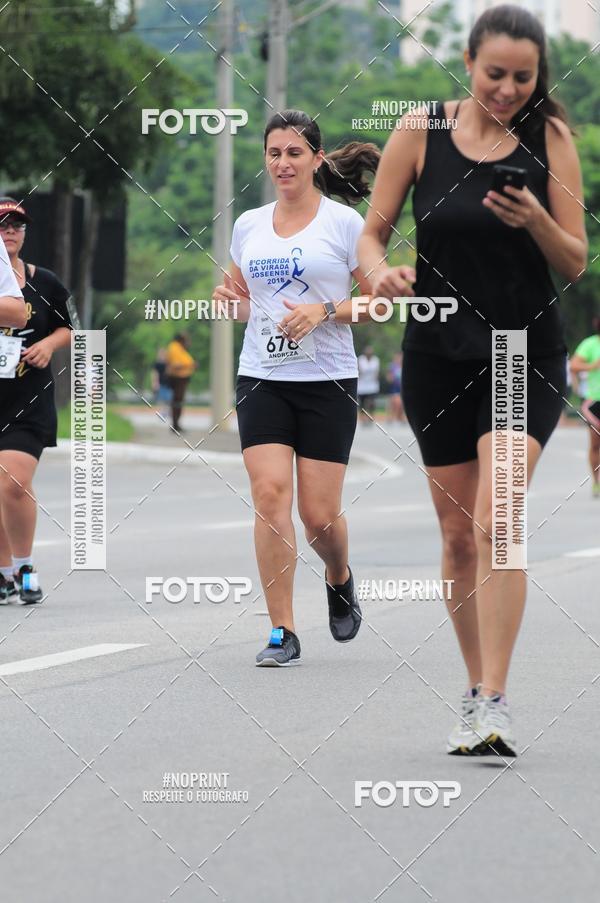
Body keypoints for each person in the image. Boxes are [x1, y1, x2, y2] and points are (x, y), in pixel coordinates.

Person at [359, 5, 587, 755]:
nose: (508, 89)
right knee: (458, 537)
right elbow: (373, 229)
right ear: (467, 60)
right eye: (496, 74)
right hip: (435, 356)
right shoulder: (419, 130)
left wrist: (535, 221)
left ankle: (495, 698)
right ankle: (472, 688)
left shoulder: (550, 136)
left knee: (500, 518)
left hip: (522, 352)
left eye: (523, 77)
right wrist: (378, 273)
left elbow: (575, 258)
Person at [213, 109, 414, 666]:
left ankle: (338, 573)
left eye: (294, 153)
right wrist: (231, 302)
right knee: (270, 495)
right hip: (263, 377)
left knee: (319, 517)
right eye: (274, 153)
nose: (283, 163)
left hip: (327, 381)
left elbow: (379, 301)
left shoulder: (344, 224)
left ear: (316, 159)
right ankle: (282, 631)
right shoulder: (248, 224)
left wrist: (324, 310)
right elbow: (237, 293)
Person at [0, 198, 73, 604]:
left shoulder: (44, 282)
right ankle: (4, 572)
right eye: (4, 224)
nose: (11, 231)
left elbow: (70, 329)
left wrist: (47, 344)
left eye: (18, 225)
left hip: (29, 399)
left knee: (12, 481)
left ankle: (25, 567)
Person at [570, 317, 600, 497]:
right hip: (595, 401)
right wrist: (592, 365)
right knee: (596, 444)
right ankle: (597, 481)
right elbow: (574, 365)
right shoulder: (590, 344)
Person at [165, 332, 195, 431]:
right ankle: (175, 424)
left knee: (178, 401)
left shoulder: (178, 348)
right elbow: (174, 365)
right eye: (186, 340)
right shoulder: (174, 348)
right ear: (181, 340)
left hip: (181, 378)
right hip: (178, 378)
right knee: (177, 401)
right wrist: (189, 365)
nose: (188, 342)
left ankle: (176, 423)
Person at [357, 345, 380, 424]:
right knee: (362, 403)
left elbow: (376, 372)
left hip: (372, 385)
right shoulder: (360, 359)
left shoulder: (375, 360)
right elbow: (359, 370)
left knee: (371, 402)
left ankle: (370, 416)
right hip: (362, 386)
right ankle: (363, 418)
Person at [151, 347, 172, 417]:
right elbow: (155, 373)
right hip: (161, 383)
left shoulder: (168, 363)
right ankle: (163, 411)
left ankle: (168, 411)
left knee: (169, 398)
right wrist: (155, 382)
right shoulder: (157, 364)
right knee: (162, 398)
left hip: (169, 383)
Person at [385, 351, 405, 423]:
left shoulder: (404, 365)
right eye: (398, 357)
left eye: (401, 357)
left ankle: (400, 417)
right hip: (393, 388)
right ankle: (390, 418)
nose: (399, 359)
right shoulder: (392, 366)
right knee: (393, 403)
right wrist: (391, 378)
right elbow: (388, 378)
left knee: (401, 403)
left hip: (402, 388)